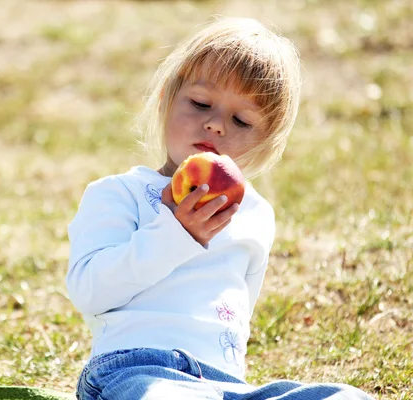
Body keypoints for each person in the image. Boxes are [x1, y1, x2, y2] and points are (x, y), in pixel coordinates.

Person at [66, 17, 374, 400]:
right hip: (135, 371)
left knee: (345, 397)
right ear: (165, 99)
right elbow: (89, 292)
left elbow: (236, 317)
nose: (215, 125)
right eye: (200, 103)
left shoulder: (254, 214)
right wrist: (175, 234)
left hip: (224, 385)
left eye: (241, 120)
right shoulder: (119, 193)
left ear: (266, 142)